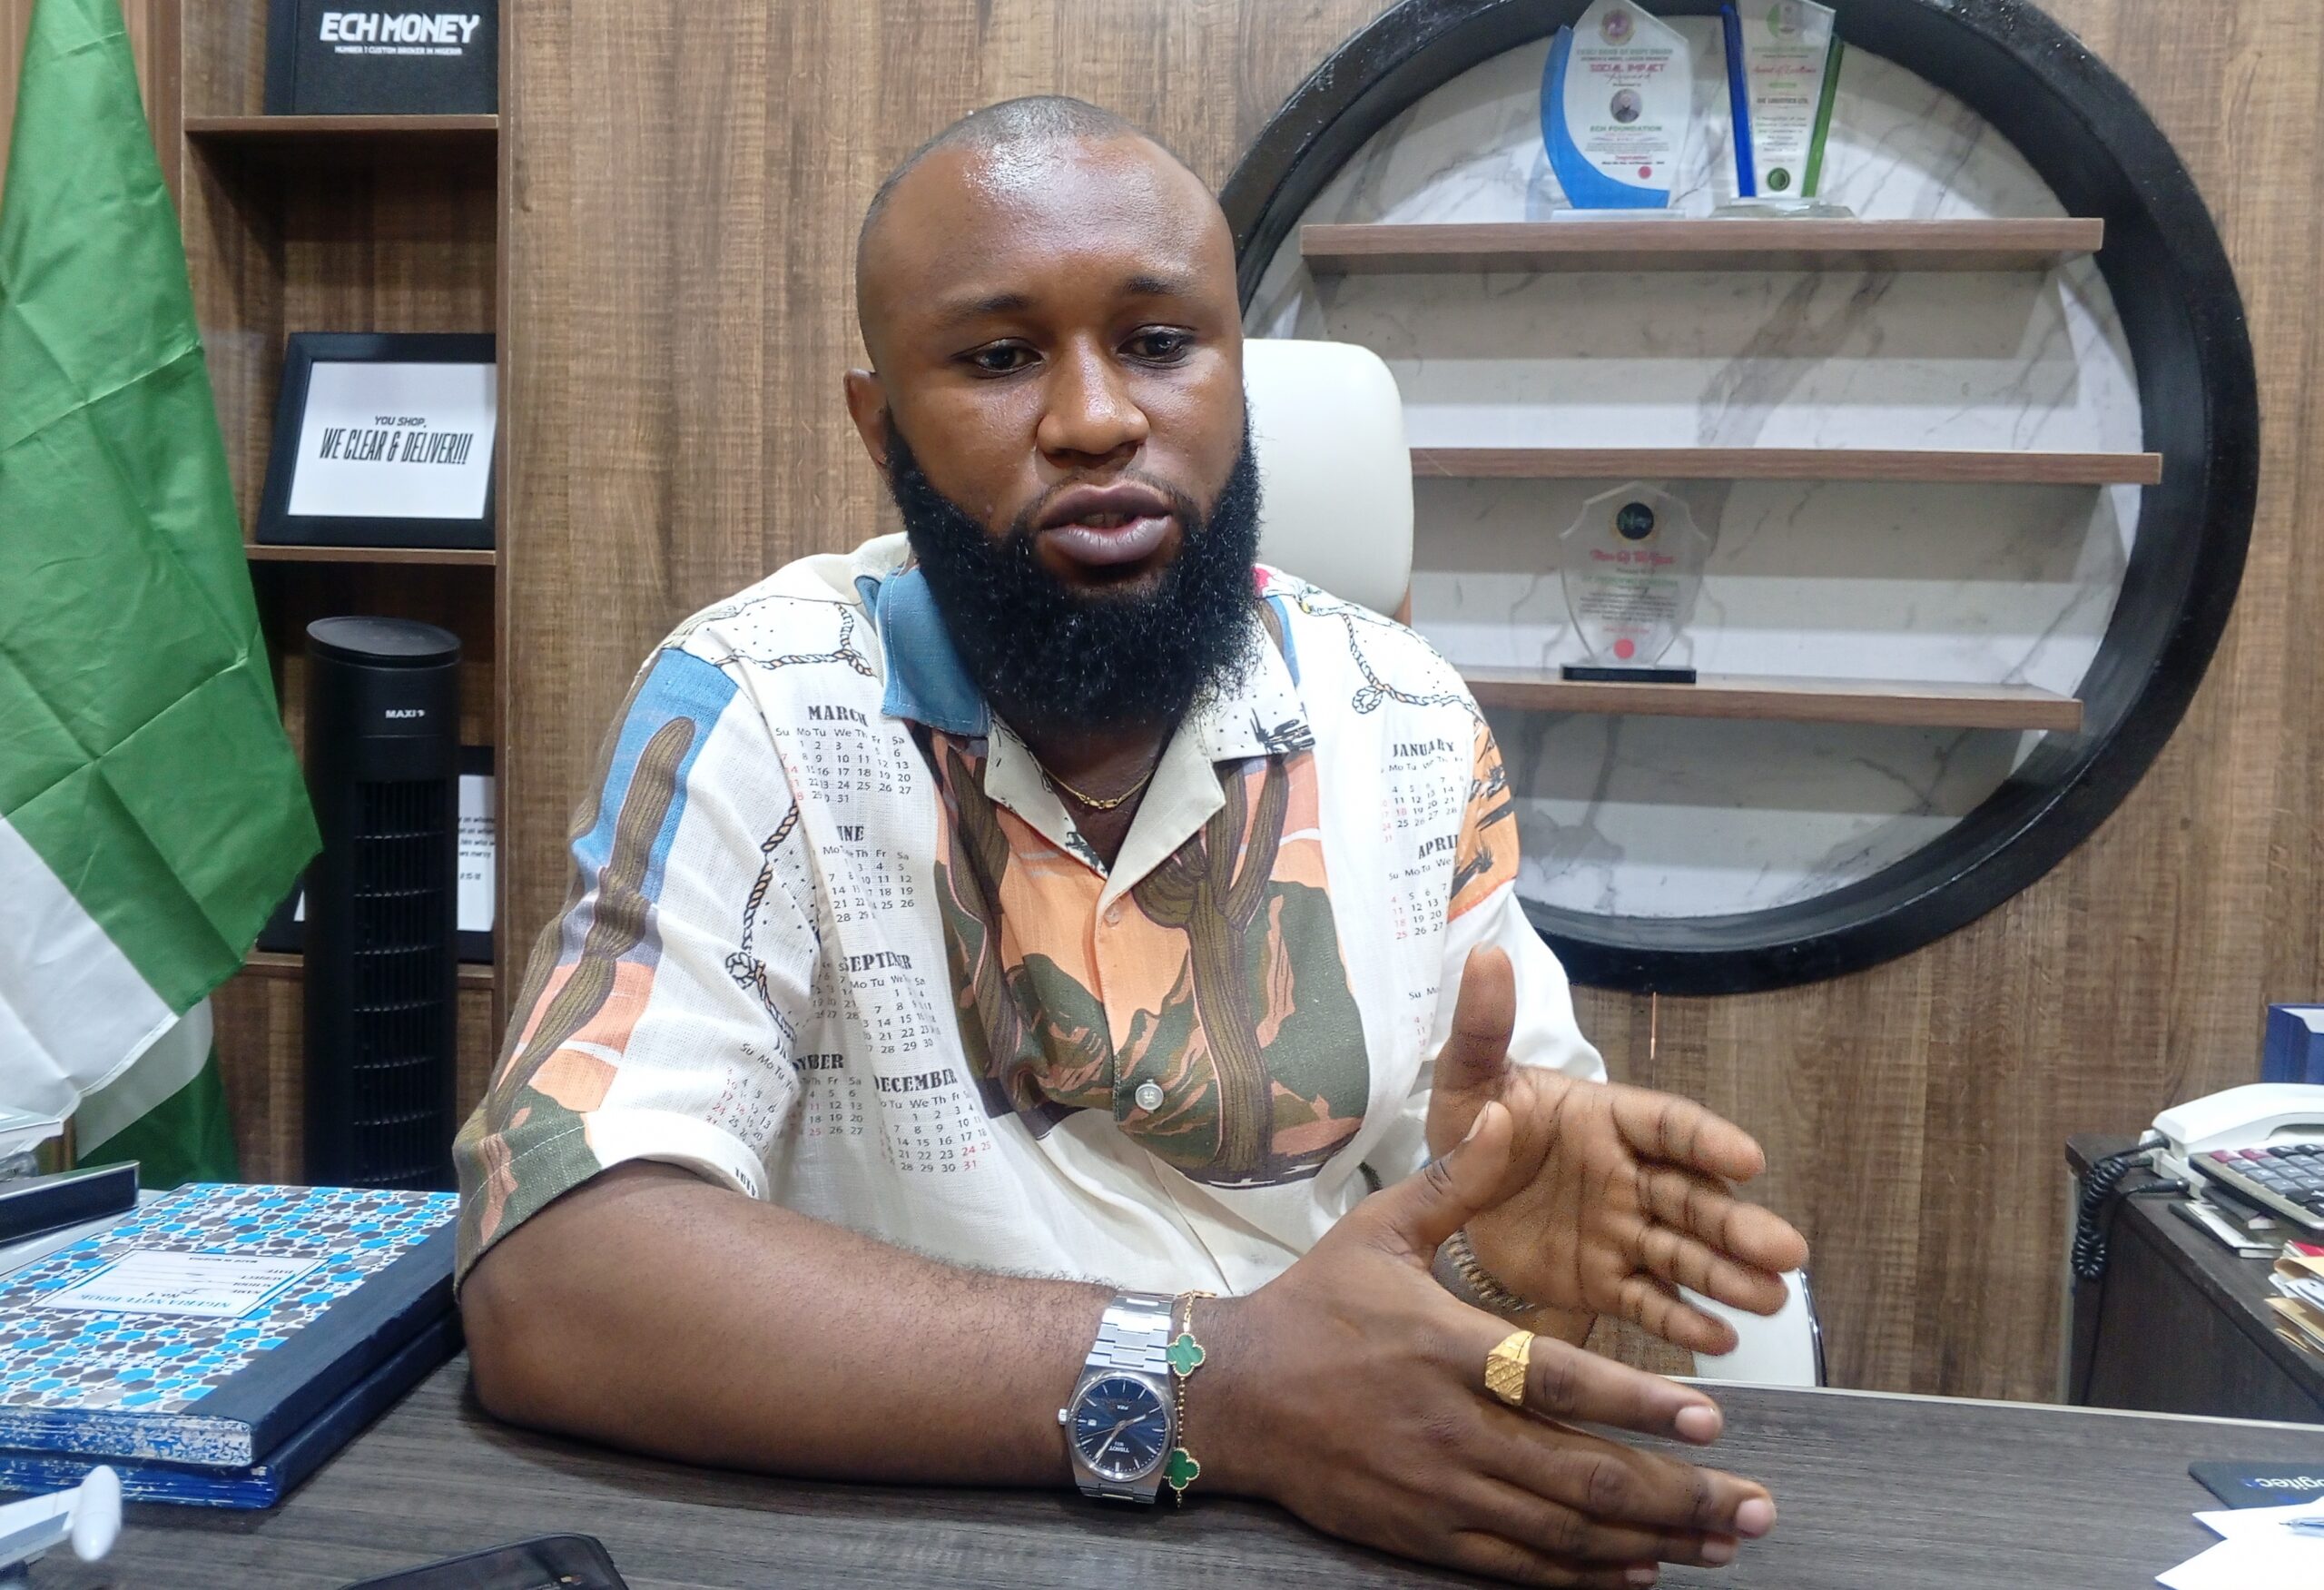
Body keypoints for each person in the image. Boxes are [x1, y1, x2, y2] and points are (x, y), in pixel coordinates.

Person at [456, 95, 1808, 1587]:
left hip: (1316, 1531)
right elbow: (559, 1277)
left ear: (1237, 378)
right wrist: (1222, 1388)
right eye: (998, 358)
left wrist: (1497, 1264)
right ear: (879, 426)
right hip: (902, 1528)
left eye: (1160, 344)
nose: (1097, 418)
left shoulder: (1402, 715)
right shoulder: (761, 706)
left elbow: (1450, 1281)